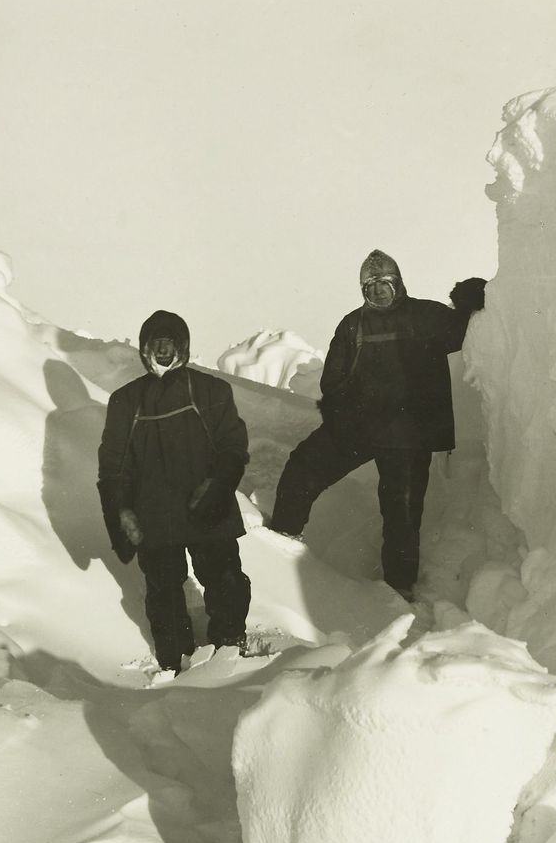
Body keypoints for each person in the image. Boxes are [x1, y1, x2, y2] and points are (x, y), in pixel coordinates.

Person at [268, 251, 484, 599]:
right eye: (370, 287)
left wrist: (471, 300)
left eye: (385, 284)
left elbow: (466, 330)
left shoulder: (426, 316)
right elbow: (333, 382)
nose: (379, 292)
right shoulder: (353, 325)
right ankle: (279, 546)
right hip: (360, 428)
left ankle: (399, 589)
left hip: (409, 437)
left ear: (397, 284)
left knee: (401, 512)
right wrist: (345, 416)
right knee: (302, 468)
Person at [97, 309, 251, 673]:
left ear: (183, 348)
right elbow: (113, 465)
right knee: (164, 592)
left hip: (207, 508)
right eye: (156, 344)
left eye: (170, 344)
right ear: (145, 349)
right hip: (155, 516)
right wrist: (120, 510)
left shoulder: (211, 390)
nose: (163, 351)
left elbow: (233, 445)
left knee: (226, 581)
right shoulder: (126, 401)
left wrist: (218, 486)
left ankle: (229, 649)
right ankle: (175, 664)